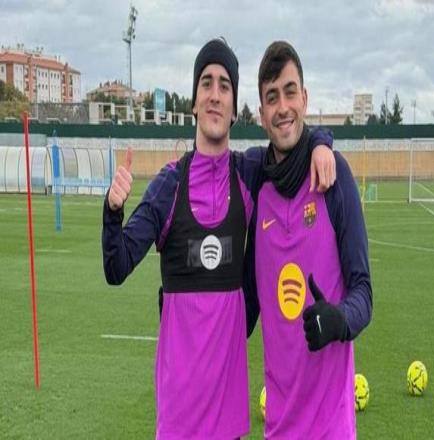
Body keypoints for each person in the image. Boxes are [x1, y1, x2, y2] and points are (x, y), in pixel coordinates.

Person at [102, 37, 335, 439]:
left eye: (224, 86)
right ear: (194, 102)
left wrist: (320, 144)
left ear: (233, 108)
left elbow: (290, 140)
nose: (214, 95)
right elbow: (116, 266)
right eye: (206, 83)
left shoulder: (248, 173)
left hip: (229, 414)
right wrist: (112, 210)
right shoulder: (168, 186)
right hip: (178, 415)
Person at [243, 41, 373, 439]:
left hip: (331, 426)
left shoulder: (334, 178)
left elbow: (363, 292)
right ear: (261, 115)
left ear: (305, 98)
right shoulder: (256, 183)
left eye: (290, 92)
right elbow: (243, 309)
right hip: (278, 426)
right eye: (272, 97)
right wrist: (186, 302)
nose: (283, 107)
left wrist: (339, 320)